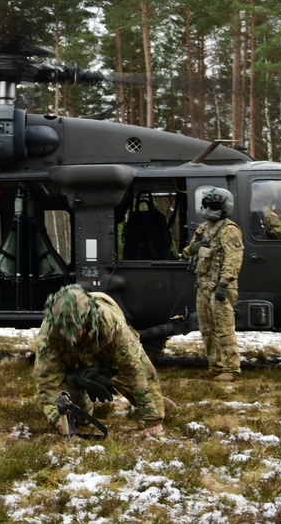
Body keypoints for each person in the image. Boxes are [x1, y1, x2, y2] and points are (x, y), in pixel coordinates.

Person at [34, 284, 169, 438]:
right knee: (79, 420)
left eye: (74, 329)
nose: (68, 335)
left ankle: (158, 411)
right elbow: (46, 380)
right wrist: (57, 418)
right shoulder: (50, 334)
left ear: (86, 321)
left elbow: (134, 370)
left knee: (144, 389)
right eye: (63, 330)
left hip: (108, 354)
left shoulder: (112, 326)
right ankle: (78, 396)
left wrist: (152, 421)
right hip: (75, 362)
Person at [181, 187, 244, 381]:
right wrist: (194, 248)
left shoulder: (229, 230)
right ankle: (215, 365)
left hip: (220, 287)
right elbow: (186, 252)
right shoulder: (203, 229)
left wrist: (224, 284)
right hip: (203, 286)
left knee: (224, 329)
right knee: (207, 329)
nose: (208, 209)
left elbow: (234, 259)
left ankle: (231, 369)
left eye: (213, 205)